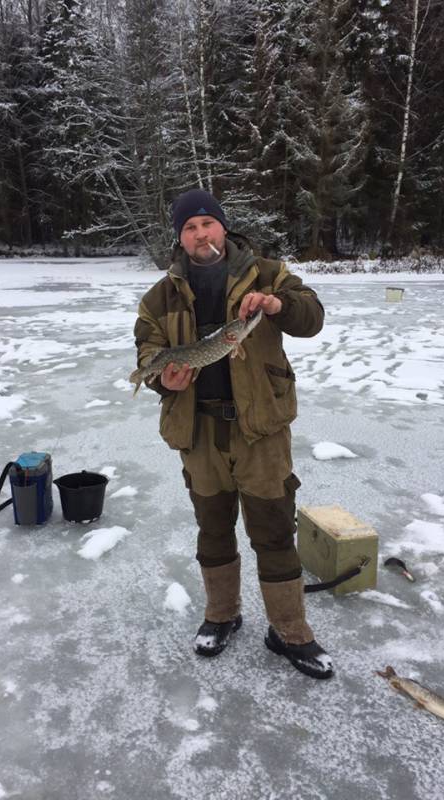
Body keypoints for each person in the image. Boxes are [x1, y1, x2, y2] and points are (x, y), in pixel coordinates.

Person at [133, 188, 333, 679]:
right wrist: (162, 377)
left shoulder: (267, 273)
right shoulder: (159, 296)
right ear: (180, 238)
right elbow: (147, 351)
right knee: (213, 528)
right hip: (199, 431)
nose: (201, 235)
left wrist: (277, 304)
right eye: (189, 228)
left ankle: (289, 629)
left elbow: (312, 316)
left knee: (273, 528)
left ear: (223, 226)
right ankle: (222, 614)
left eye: (207, 223)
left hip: (260, 430)